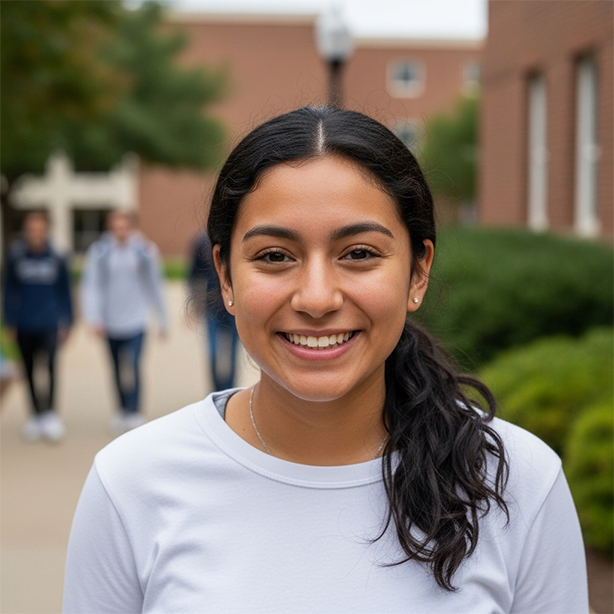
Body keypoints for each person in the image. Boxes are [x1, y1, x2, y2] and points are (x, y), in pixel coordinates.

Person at [63, 108, 589, 613]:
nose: (316, 298)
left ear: (418, 271)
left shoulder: (518, 483)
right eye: (275, 256)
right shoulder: (132, 484)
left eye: (358, 253)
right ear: (224, 275)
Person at [80, 210, 168, 434]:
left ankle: (135, 410)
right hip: (110, 322)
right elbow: (92, 286)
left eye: (124, 227)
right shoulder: (100, 252)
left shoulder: (144, 251)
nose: (120, 231)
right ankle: (121, 410)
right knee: (116, 367)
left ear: (131, 227)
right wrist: (94, 318)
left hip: (136, 320)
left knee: (134, 364)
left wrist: (163, 320)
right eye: (115, 227)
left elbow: (155, 285)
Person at [3, 211, 73, 442]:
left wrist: (69, 320)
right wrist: (9, 321)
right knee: (29, 370)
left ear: (46, 230)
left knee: (51, 368)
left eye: (39, 228)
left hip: (50, 322)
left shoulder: (57, 257)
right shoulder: (16, 257)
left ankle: (50, 415)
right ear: (26, 230)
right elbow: (9, 289)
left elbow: (65, 291)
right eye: (31, 229)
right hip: (24, 323)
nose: (35, 233)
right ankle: (35, 416)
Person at [188, 232, 240, 391]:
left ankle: (229, 391)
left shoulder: (235, 237)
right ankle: (216, 392)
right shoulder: (201, 242)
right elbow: (194, 275)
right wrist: (196, 304)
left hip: (235, 307)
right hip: (212, 307)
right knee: (213, 352)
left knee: (231, 352)